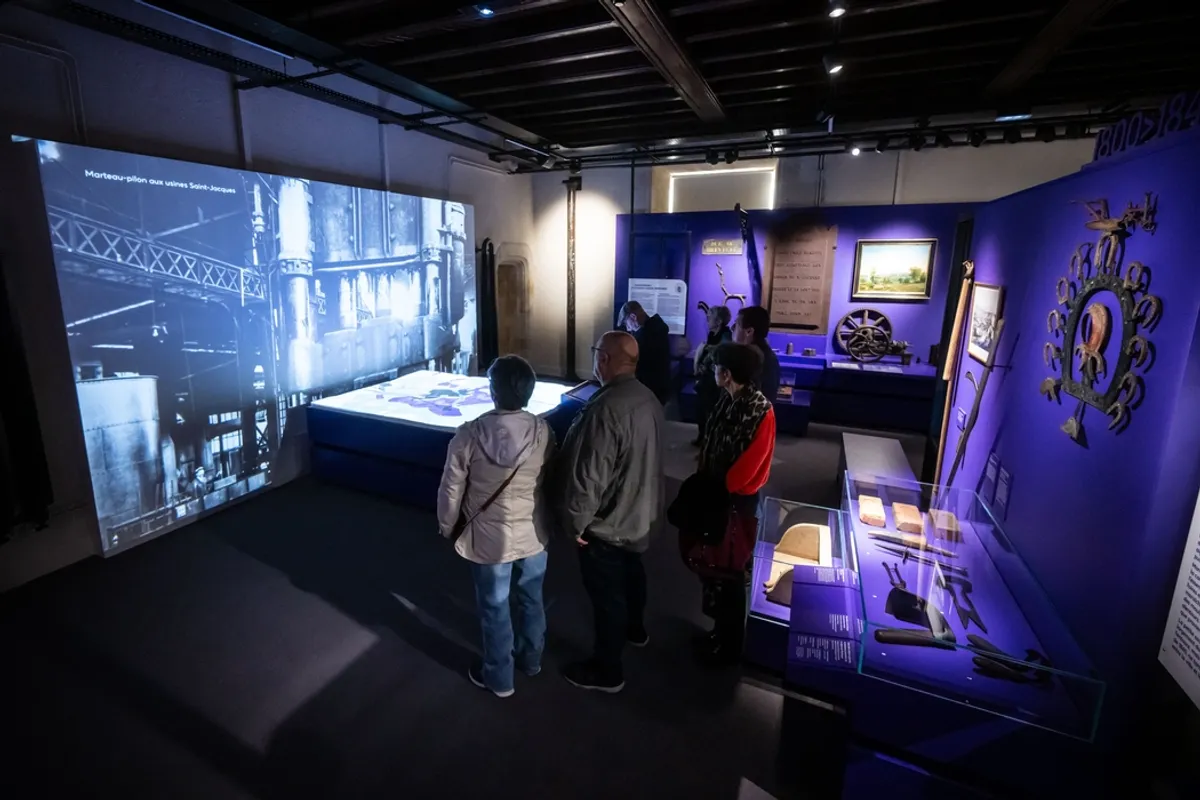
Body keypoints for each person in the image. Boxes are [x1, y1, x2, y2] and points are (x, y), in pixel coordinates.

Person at [437, 355, 556, 698]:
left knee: (494, 606)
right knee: (532, 599)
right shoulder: (543, 432)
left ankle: (500, 678)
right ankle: (531, 661)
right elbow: (549, 481)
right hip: (533, 533)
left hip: (489, 539)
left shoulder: (469, 434)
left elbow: (451, 488)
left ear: (493, 390)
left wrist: (447, 526)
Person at [557, 331, 665, 693]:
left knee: (607, 596)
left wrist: (576, 525)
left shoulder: (605, 409)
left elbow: (588, 477)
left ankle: (608, 670)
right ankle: (636, 629)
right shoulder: (647, 397)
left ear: (603, 359)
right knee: (633, 574)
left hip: (608, 524)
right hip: (638, 514)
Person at [680, 343, 776, 665]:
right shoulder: (729, 399)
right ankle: (718, 632)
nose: (712, 370)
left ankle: (730, 644)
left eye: (717, 366)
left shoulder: (760, 409)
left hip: (736, 502)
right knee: (716, 567)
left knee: (731, 571)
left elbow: (751, 465)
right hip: (717, 495)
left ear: (728, 373)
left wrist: (719, 486)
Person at [693, 305, 732, 447]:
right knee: (701, 411)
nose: (707, 320)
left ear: (719, 321)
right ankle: (702, 436)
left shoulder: (726, 337)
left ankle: (710, 442)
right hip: (706, 381)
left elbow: (720, 358)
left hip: (715, 384)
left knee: (711, 413)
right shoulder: (712, 335)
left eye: (710, 317)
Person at [619, 300, 672, 405]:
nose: (628, 328)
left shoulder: (643, 336)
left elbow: (636, 365)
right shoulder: (657, 329)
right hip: (660, 388)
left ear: (633, 317)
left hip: (646, 390)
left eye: (626, 323)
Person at [732, 305, 780, 403]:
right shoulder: (766, 355)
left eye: (736, 324)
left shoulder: (751, 360)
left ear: (749, 331)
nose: (732, 328)